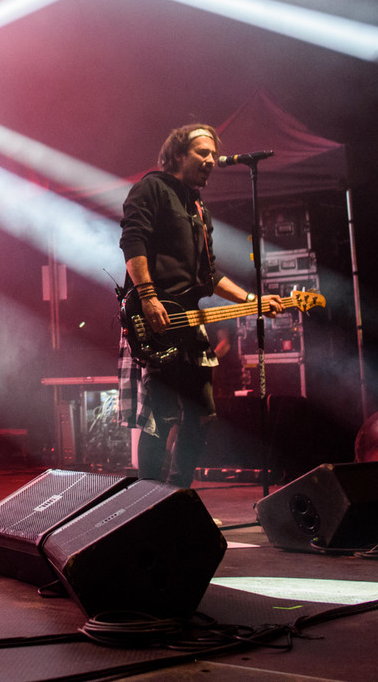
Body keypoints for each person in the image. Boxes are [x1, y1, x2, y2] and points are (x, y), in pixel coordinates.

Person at [119, 123, 281, 487]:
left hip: (190, 322)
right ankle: (148, 501)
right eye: (203, 153)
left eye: (213, 154)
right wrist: (148, 297)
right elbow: (133, 241)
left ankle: (179, 492)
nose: (211, 160)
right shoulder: (151, 188)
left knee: (203, 415)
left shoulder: (197, 207)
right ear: (178, 155)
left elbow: (209, 276)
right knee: (160, 419)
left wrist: (252, 301)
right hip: (156, 318)